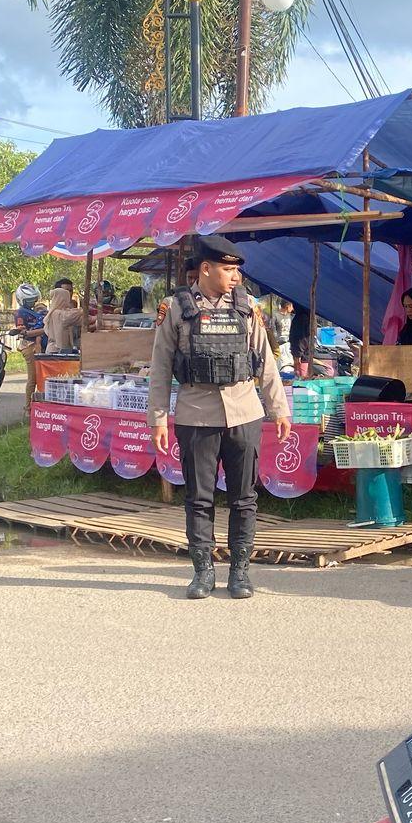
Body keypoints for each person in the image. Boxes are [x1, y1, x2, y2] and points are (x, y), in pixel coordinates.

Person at [149, 237, 291, 601]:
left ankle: (240, 571)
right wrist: (158, 419)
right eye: (228, 269)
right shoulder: (176, 308)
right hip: (196, 415)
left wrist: (279, 409)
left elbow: (265, 360)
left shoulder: (247, 307)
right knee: (199, 498)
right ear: (206, 269)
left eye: (236, 269)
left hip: (244, 412)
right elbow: (161, 366)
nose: (235, 276)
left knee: (244, 497)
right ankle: (203, 572)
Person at [11, 282, 46, 410]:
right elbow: (22, 330)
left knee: (40, 377)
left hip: (38, 345)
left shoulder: (34, 311)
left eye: (34, 299)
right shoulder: (21, 313)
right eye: (29, 300)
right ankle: (28, 408)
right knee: (33, 379)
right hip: (30, 346)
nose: (33, 302)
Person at [44, 285, 82, 354]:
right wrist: (83, 310)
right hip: (55, 351)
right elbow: (70, 317)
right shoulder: (57, 313)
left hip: (62, 350)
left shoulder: (60, 312)